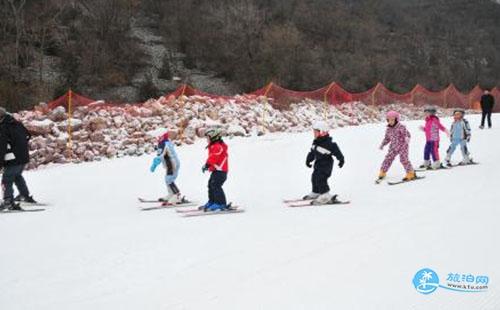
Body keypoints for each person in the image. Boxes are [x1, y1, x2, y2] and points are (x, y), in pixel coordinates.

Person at [0, 107, 36, 210]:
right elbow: (28, 135)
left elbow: (2, 147)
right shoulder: (16, 122)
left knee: (7, 179)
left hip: (13, 158)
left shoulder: (3, 127)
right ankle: (25, 195)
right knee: (17, 176)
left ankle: (8, 201)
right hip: (23, 156)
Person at [303, 120, 344, 205]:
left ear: (322, 132)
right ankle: (316, 191)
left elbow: (337, 152)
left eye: (316, 132)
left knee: (321, 179)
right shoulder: (316, 142)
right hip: (318, 164)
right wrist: (308, 160)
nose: (314, 134)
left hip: (326, 165)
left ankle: (325, 194)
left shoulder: (330, 144)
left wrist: (341, 160)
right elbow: (312, 152)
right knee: (314, 177)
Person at [378, 111, 416, 182]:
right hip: (393, 147)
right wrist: (382, 144)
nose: (390, 121)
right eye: (389, 120)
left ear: (396, 119)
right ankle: (383, 171)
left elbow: (407, 134)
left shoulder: (401, 127)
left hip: (403, 146)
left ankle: (411, 173)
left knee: (403, 159)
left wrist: (407, 138)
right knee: (388, 158)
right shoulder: (388, 129)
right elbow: (387, 138)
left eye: (392, 120)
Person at [150, 131, 184, 204]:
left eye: (158, 137)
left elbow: (160, 156)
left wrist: (154, 164)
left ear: (162, 136)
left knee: (169, 180)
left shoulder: (164, 144)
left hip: (172, 164)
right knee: (167, 179)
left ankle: (177, 195)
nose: (156, 138)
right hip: (169, 164)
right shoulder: (162, 143)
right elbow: (161, 154)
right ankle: (171, 194)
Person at [201, 127, 230, 211]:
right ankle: (212, 201)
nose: (207, 140)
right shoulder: (214, 145)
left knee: (216, 186)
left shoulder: (218, 146)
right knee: (211, 185)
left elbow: (214, 158)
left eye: (208, 138)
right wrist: (208, 166)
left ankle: (221, 203)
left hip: (221, 172)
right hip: (216, 171)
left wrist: (207, 165)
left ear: (213, 137)